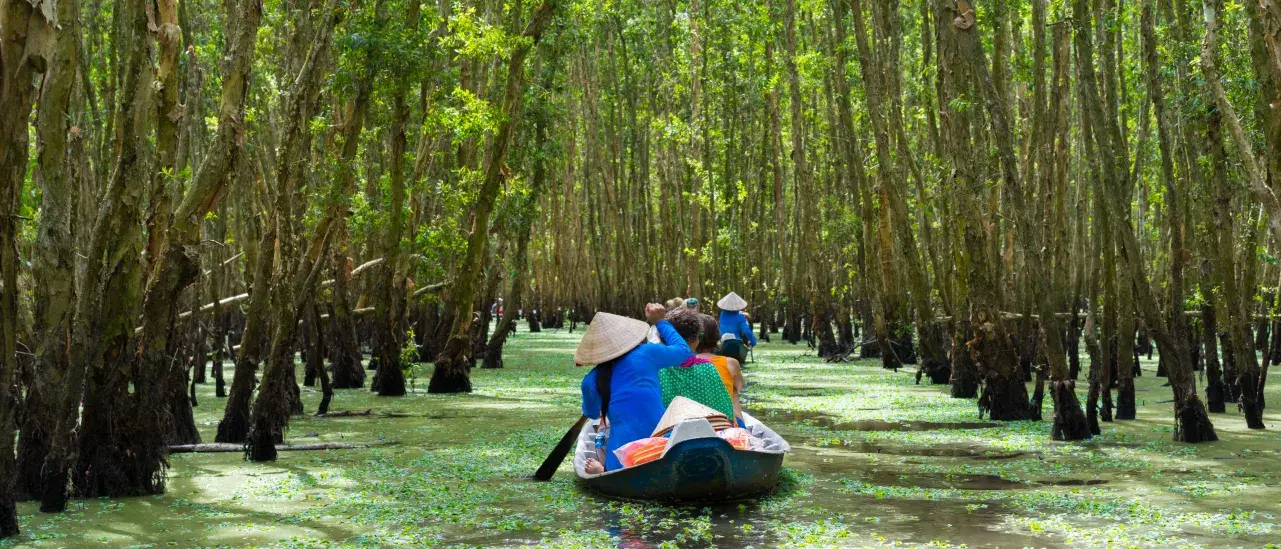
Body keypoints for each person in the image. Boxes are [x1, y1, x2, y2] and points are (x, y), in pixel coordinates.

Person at [579, 305, 692, 473]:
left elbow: (593, 413)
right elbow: (684, 352)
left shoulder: (590, 381)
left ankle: (603, 470)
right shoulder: (646, 353)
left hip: (621, 459)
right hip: (662, 449)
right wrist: (661, 321)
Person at [657, 308, 736, 422]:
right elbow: (725, 413)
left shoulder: (656, 368)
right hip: (707, 433)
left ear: (662, 338)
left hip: (666, 434)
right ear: (697, 339)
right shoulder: (707, 367)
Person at [698, 313, 745, 423]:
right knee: (733, 390)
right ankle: (740, 427)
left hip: (694, 420)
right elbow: (739, 386)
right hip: (725, 422)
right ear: (717, 337)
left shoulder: (680, 363)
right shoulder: (731, 363)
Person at [716, 292, 756, 363]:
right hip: (736, 343)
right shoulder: (740, 316)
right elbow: (746, 331)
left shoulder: (722, 314)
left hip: (723, 342)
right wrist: (753, 341)